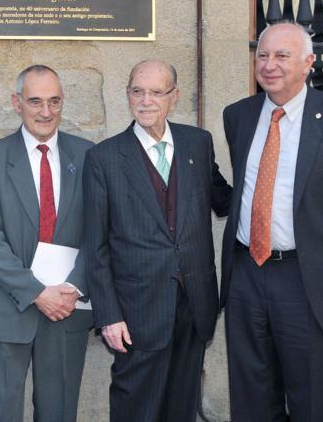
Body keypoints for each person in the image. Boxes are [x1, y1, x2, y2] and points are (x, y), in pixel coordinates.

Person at [221, 22, 323, 421]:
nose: (269, 65)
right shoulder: (238, 116)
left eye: (281, 55)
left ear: (309, 62)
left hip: (307, 280)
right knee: (250, 397)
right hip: (245, 274)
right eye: (263, 55)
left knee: (309, 400)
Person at [83, 60, 231, 422]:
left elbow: (225, 199)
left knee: (181, 406)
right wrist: (109, 315)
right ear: (128, 95)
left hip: (193, 302)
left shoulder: (198, 142)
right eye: (137, 91)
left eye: (156, 92)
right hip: (136, 310)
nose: (145, 100)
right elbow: (96, 245)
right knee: (136, 406)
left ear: (174, 97)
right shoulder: (103, 158)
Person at [0, 64, 94, 422]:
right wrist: (36, 291)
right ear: (17, 102)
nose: (46, 112)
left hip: (68, 305)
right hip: (12, 304)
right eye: (35, 101)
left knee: (59, 409)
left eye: (54, 101)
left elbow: (99, 231)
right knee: (4, 407)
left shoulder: (88, 155)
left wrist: (73, 286)